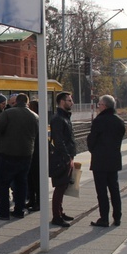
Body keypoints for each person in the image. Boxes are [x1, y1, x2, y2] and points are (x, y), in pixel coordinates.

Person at [0, 92, 39, 220]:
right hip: (26, 155)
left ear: (16, 102)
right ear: (27, 102)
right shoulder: (35, 116)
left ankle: (4, 212)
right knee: (21, 183)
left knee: (3, 183)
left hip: (8, 154)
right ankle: (19, 210)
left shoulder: (8, 113)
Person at [87, 94, 125, 227]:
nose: (98, 107)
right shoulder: (119, 121)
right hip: (114, 159)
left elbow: (91, 140)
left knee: (102, 191)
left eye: (99, 105)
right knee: (114, 189)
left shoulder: (99, 121)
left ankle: (104, 218)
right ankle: (118, 217)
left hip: (100, 160)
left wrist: (94, 150)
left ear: (104, 106)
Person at [50, 92, 76, 227]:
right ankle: (56, 216)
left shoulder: (64, 117)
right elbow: (59, 140)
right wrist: (67, 157)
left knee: (63, 186)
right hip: (61, 159)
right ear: (61, 102)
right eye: (69, 100)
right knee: (60, 187)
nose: (71, 103)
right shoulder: (58, 119)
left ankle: (60, 211)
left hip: (66, 157)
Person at [26, 99, 41, 212]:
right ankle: (32, 200)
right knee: (30, 178)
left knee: (36, 179)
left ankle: (38, 202)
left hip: (36, 153)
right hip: (31, 152)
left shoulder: (36, 119)